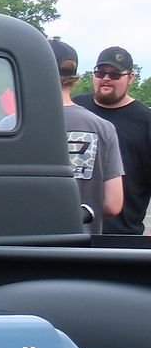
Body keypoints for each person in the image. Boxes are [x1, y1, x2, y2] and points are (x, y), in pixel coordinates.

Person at [75, 46, 151, 234]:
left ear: (130, 78)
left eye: (115, 74)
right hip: (73, 228)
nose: (106, 79)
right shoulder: (76, 108)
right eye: (100, 73)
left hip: (122, 236)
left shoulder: (145, 121)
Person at [51, 39, 122, 226]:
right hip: (80, 247)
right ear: (74, 78)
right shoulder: (102, 127)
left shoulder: (11, 123)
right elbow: (113, 204)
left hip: (24, 247)